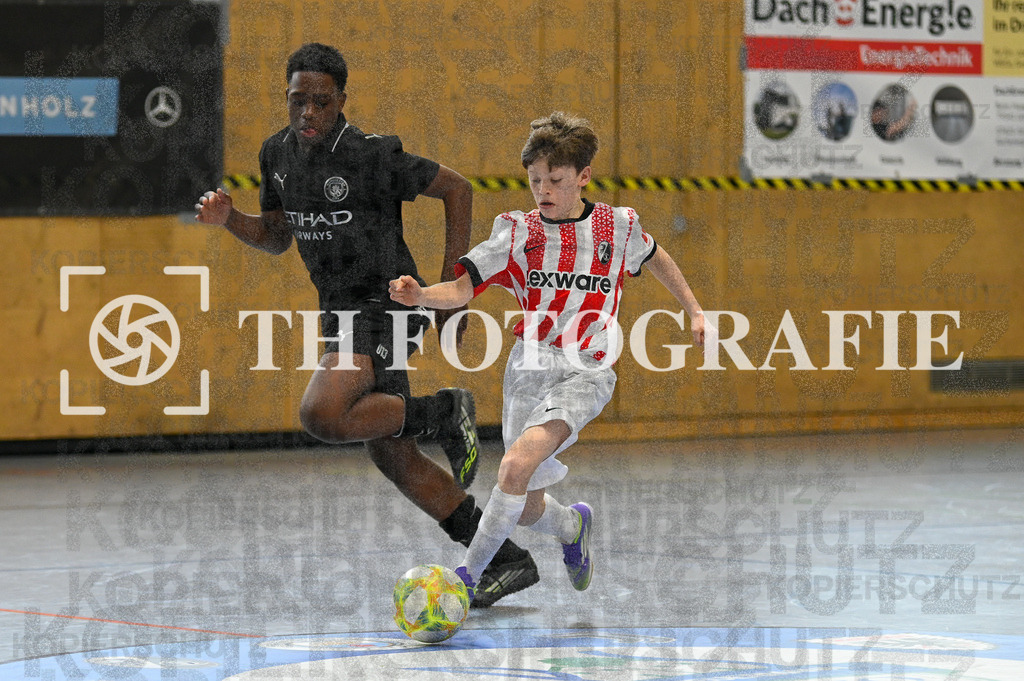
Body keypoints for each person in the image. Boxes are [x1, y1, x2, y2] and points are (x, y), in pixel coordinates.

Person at [194, 42, 538, 607]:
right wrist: (231, 219)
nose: (308, 113)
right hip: (339, 314)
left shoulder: (370, 155)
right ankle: (502, 558)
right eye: (298, 101)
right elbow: (279, 237)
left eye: (321, 103)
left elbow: (457, 188)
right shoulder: (275, 155)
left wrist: (456, 291)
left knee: (322, 413)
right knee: (394, 455)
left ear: (341, 102)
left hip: (388, 305)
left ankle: (444, 412)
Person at [389, 112, 708, 601]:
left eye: (555, 180)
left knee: (513, 468)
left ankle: (465, 580)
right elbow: (460, 287)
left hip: (588, 371)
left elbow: (656, 255)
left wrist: (694, 309)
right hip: (529, 367)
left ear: (582, 176)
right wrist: (420, 297)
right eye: (535, 180)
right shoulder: (517, 234)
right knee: (526, 497)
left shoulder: (616, 227)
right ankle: (571, 527)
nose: (543, 189)